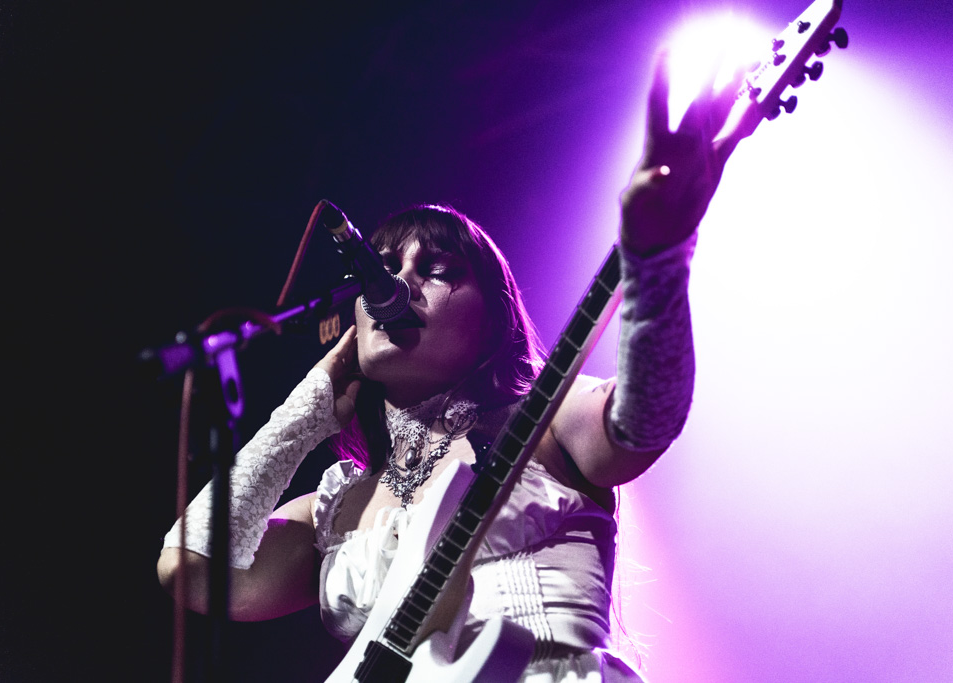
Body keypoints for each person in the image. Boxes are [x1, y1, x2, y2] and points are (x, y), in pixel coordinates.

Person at [158, 51, 738, 682]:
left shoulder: (545, 417)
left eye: (435, 271)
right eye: (381, 270)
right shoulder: (337, 500)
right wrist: (309, 405)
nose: (399, 285)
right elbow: (189, 568)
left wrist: (659, 259)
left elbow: (647, 417)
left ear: (492, 317)